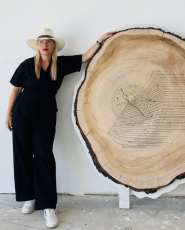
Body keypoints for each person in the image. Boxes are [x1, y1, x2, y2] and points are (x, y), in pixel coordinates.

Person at [5, 28, 116, 228]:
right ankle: (29, 197)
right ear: (37, 46)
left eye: (48, 41)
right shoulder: (27, 65)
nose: (44, 44)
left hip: (46, 114)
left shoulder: (61, 63)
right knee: (22, 154)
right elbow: (15, 89)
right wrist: (8, 114)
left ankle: (48, 205)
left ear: (53, 45)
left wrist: (99, 40)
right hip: (22, 111)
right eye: (41, 42)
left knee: (44, 155)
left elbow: (85, 57)